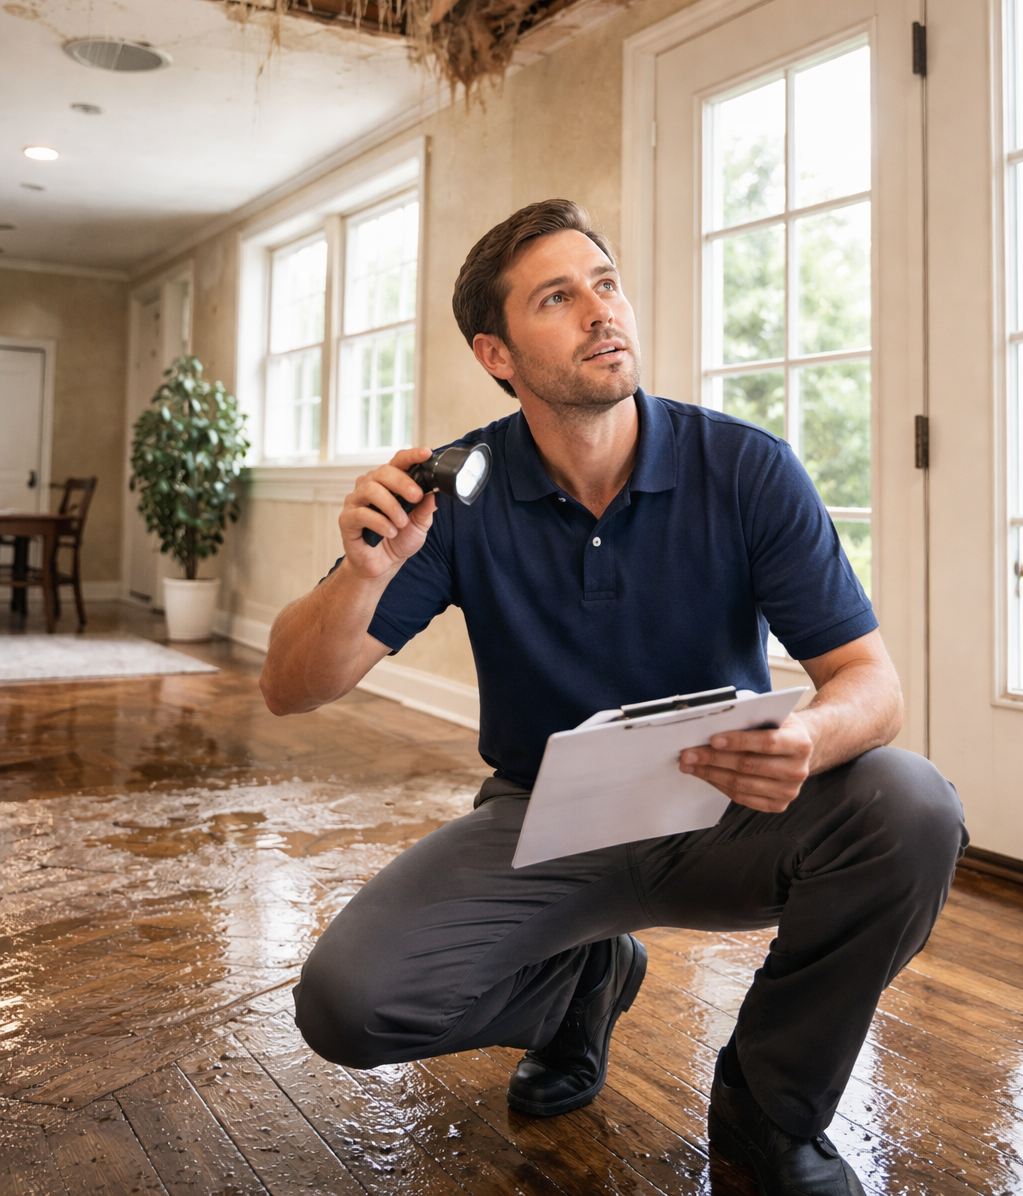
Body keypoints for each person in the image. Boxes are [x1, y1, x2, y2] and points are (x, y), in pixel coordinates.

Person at [260, 199, 966, 1196]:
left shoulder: (746, 468)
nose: (601, 311)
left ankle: (769, 1110)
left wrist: (807, 738)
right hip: (544, 816)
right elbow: (289, 689)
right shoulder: (458, 495)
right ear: (496, 354)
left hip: (724, 806)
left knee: (913, 804)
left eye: (606, 284)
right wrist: (366, 575)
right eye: (557, 298)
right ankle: (581, 985)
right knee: (346, 1005)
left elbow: (871, 684)